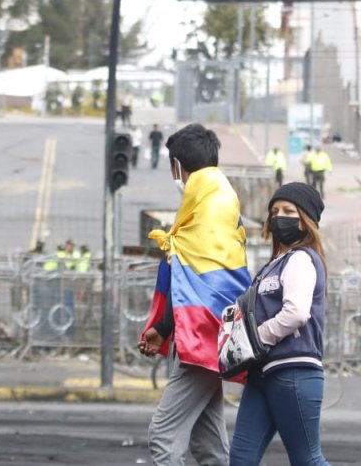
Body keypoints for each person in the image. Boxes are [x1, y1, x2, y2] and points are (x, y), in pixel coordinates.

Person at [139, 123, 250, 466]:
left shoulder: (208, 208)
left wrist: (169, 326)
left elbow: (205, 286)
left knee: (163, 436)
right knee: (209, 446)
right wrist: (166, 327)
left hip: (201, 339)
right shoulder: (213, 202)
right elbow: (196, 281)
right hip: (203, 337)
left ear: (177, 165)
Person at [229, 182, 329, 466]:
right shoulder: (274, 263)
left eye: (288, 211)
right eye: (274, 211)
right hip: (262, 374)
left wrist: (256, 337)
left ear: (306, 220)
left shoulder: (301, 259)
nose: (278, 217)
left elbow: (297, 313)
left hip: (293, 371)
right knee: (241, 459)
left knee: (307, 459)